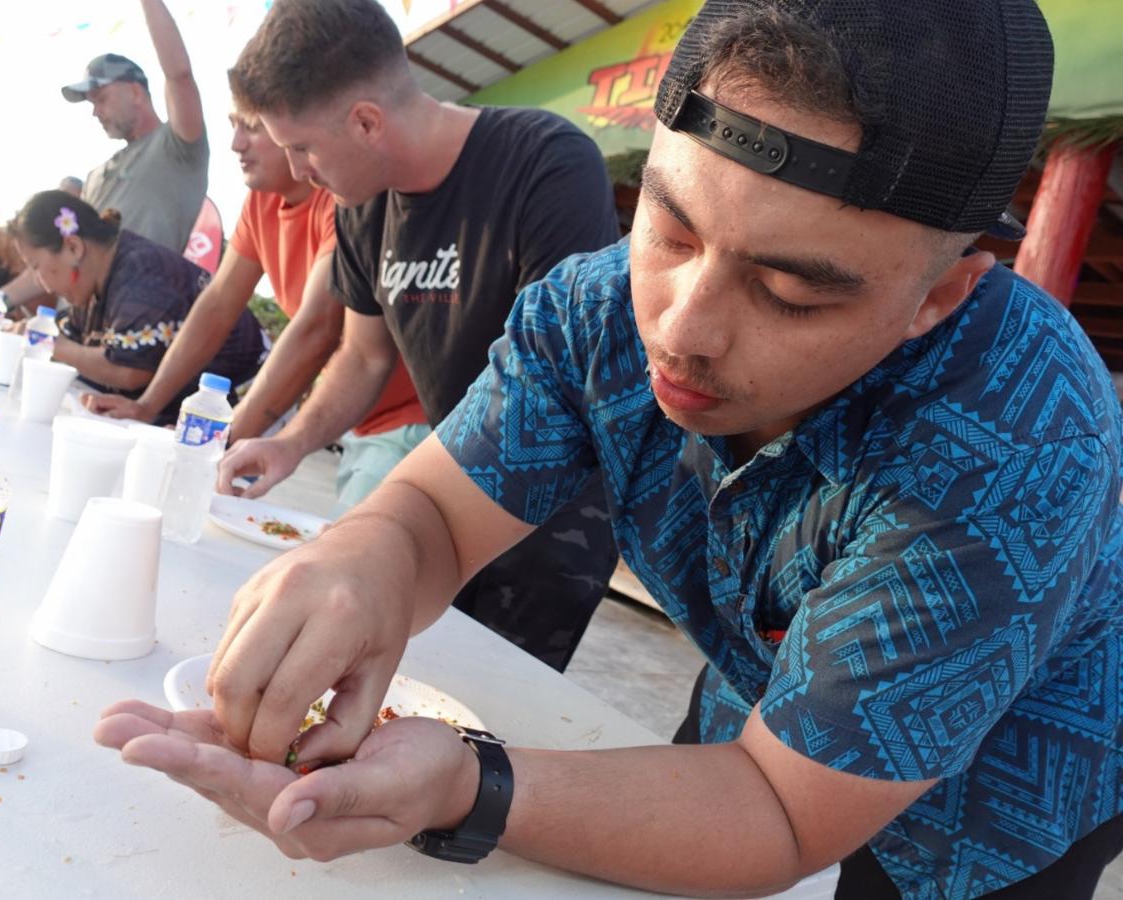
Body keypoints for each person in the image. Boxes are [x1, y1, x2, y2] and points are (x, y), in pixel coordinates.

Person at [95, 1, 1123, 898]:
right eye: (670, 231)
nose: (682, 329)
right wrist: (366, 557)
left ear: (937, 296)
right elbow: (438, 513)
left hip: (1003, 799)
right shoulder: (595, 308)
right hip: (755, 696)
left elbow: (779, 812)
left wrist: (469, 783)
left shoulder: (1016, 431)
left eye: (792, 293)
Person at [207, 0, 621, 672]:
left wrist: (392, 515)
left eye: (303, 147)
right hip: (450, 484)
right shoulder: (363, 207)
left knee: (487, 705)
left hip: (557, 507)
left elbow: (548, 387)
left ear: (366, 121)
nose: (302, 170)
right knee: (397, 678)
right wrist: (290, 442)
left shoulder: (546, 163)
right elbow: (364, 356)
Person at [85, 107, 429, 513]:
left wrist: (222, 443)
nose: (235, 144)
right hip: (357, 419)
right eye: (232, 124)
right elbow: (216, 305)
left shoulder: (346, 201)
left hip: (412, 421)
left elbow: (315, 329)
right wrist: (148, 404)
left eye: (251, 127)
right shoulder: (262, 201)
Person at [11, 191, 264, 424]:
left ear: (73, 248)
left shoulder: (142, 274)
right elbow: (73, 339)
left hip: (247, 408)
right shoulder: (90, 288)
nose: (39, 282)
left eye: (35, 266)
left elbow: (131, 371)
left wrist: (50, 343)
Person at [61, 0, 207, 253]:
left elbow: (179, 75)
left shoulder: (176, 147)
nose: (95, 112)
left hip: (145, 290)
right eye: (91, 103)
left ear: (136, 93)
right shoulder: (95, 176)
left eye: (102, 98)